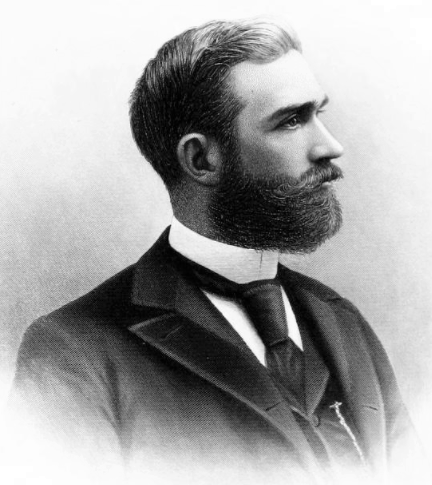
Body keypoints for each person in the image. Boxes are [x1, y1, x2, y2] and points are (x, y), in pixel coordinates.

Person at [8, 19, 421, 485]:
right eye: (291, 121)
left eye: (317, 114)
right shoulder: (73, 352)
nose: (330, 146)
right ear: (201, 159)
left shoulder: (342, 321)